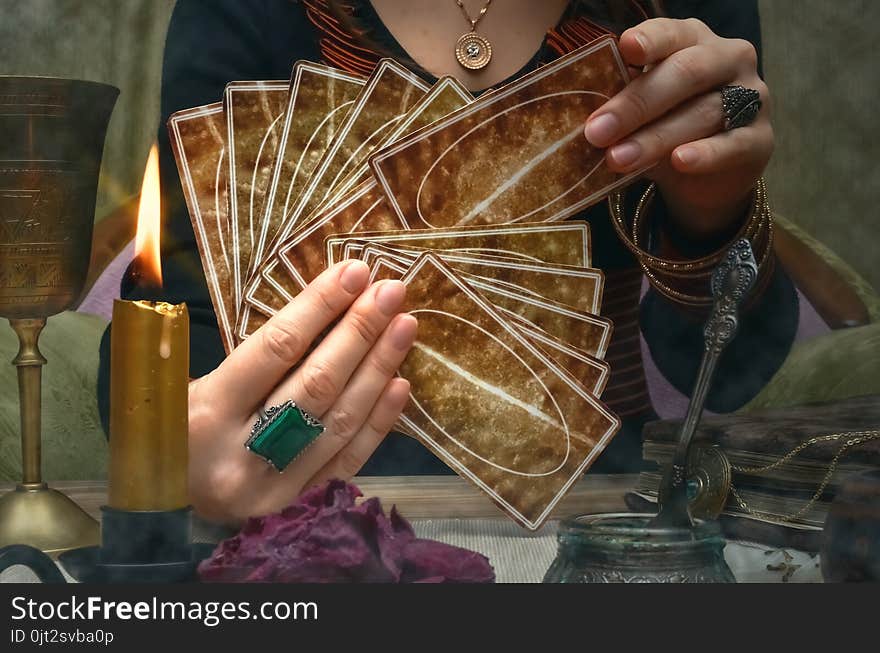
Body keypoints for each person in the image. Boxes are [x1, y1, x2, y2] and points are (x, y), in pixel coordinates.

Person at [98, 0, 796, 525]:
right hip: (308, 520)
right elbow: (164, 357)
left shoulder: (674, 9)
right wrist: (180, 448)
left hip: (603, 521)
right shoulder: (244, 11)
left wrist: (714, 212)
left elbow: (725, 371)